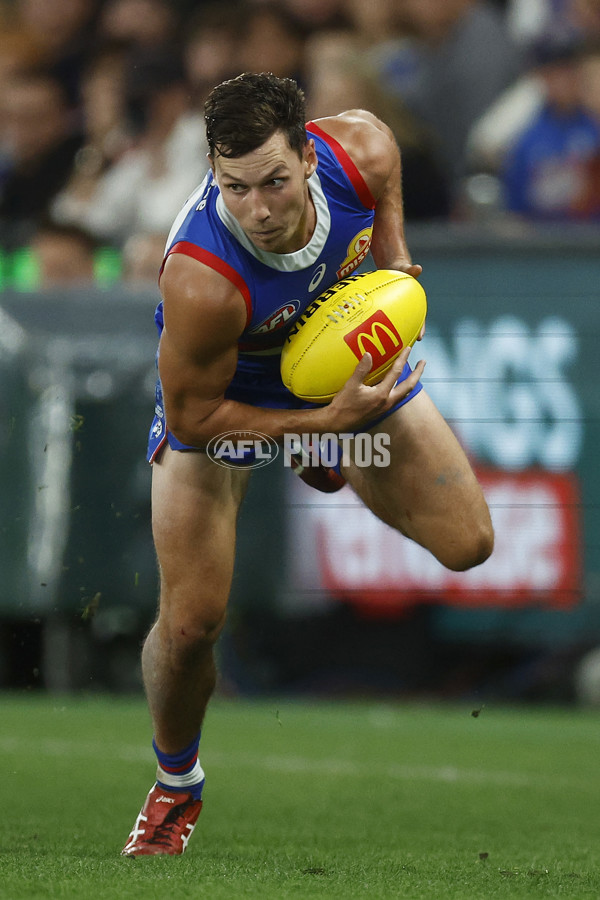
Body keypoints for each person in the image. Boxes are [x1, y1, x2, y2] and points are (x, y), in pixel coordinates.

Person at [121, 72, 494, 857]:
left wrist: (392, 261)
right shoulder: (202, 277)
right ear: (215, 174)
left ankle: (325, 449)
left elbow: (387, 167)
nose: (257, 208)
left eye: (275, 183)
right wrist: (324, 422)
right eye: (236, 187)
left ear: (311, 159)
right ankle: (175, 781)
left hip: (333, 364)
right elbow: (195, 417)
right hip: (231, 402)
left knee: (470, 543)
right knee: (192, 624)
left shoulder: (359, 148)